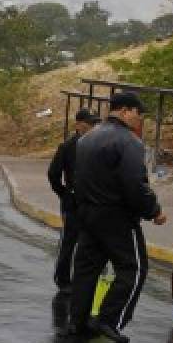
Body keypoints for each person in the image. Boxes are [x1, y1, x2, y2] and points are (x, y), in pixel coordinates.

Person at [67, 90, 166, 343]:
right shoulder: (129, 142)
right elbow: (135, 184)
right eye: (138, 114)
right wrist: (153, 210)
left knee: (86, 269)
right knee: (133, 268)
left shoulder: (86, 138)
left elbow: (77, 177)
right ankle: (110, 320)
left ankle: (76, 321)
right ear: (125, 110)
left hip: (87, 213)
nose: (139, 119)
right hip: (117, 217)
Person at [47, 108, 99, 293]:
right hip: (73, 202)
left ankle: (84, 279)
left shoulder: (99, 146)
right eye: (88, 124)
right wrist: (64, 194)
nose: (92, 128)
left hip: (93, 202)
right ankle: (62, 279)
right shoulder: (68, 147)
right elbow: (53, 174)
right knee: (69, 241)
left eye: (95, 124)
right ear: (78, 125)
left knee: (90, 243)